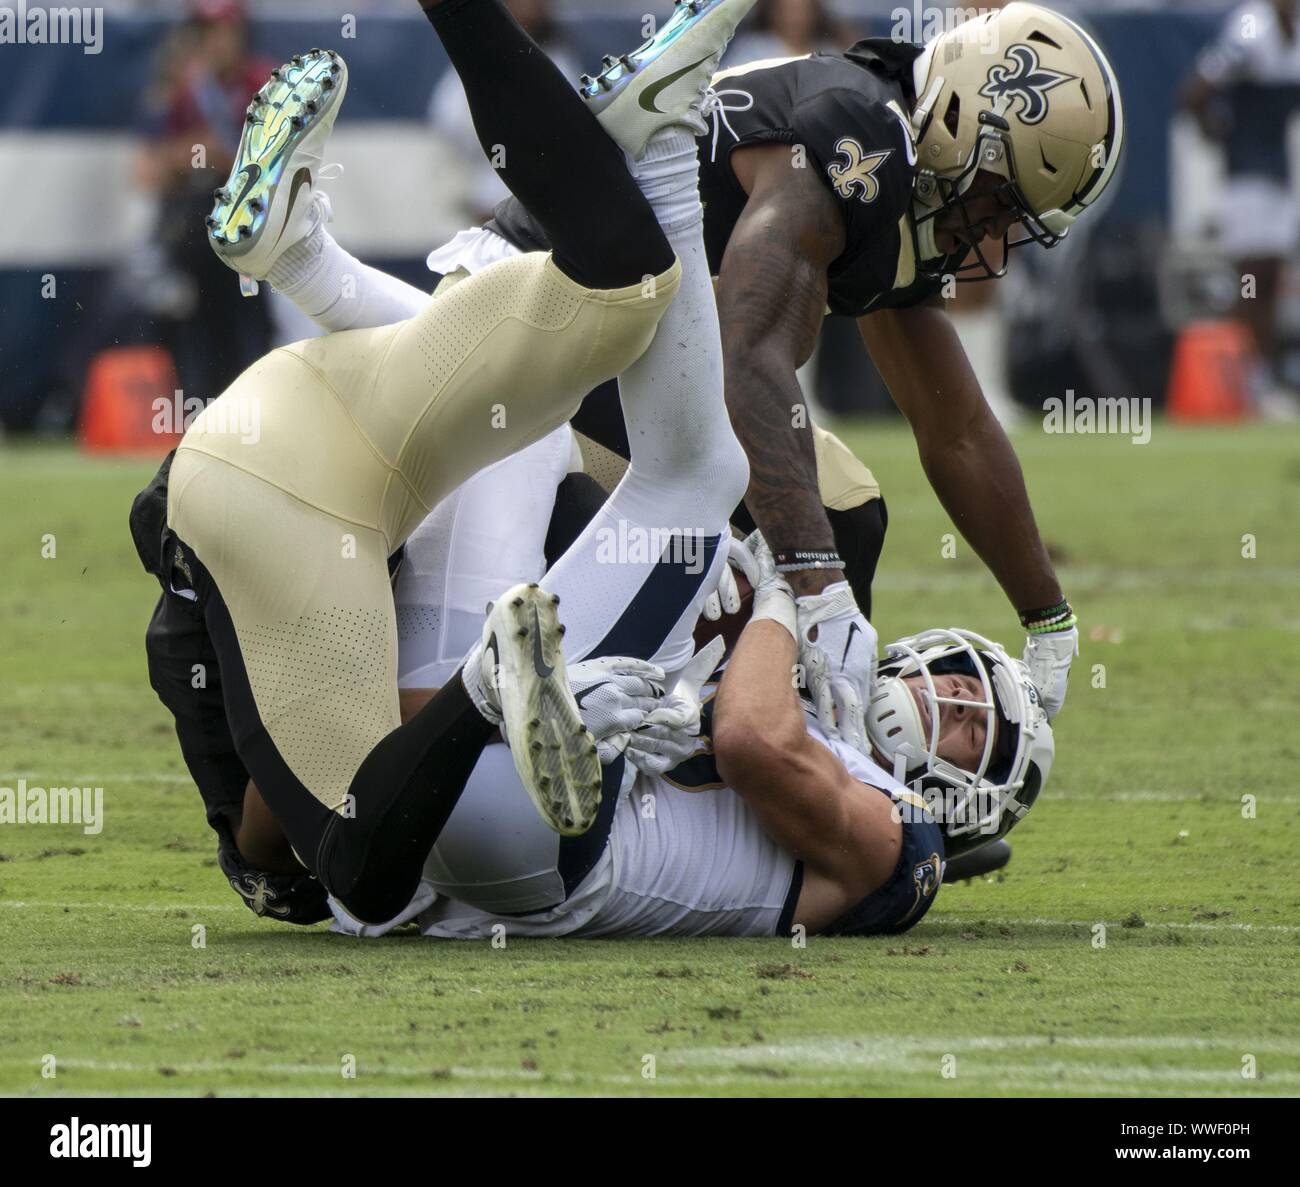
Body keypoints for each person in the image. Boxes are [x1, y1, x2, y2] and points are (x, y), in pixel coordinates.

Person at [241, 3, 1123, 759]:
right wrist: (818, 587)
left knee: (811, 503)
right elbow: (746, 356)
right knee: (803, 513)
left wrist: (1045, 616)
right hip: (566, 306)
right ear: (969, 119)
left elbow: (954, 425)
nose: (997, 239)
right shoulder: (861, 135)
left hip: (545, 312)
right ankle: (761, 762)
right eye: (1002, 204)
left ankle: (311, 261)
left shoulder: (888, 154)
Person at [131, 0, 759, 926]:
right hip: (284, 436)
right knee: (369, 864)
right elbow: (341, 835)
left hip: (295, 461)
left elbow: (329, 823)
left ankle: (318, 260)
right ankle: (310, 263)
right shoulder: (282, 731)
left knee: (369, 864)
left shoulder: (280, 760)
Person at [1182, 0, 1300, 416]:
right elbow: (1198, 90)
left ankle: (1261, 380)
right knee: (1249, 279)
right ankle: (1236, 379)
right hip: (1246, 177)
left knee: (1269, 281)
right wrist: (1219, 133)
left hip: (1281, 177)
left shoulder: (1294, 31)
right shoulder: (1250, 26)